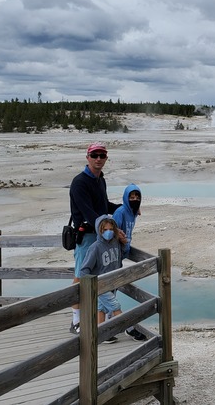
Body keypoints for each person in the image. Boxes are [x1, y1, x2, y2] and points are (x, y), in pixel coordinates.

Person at [68, 142, 124, 334]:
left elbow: (104, 205)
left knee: (102, 275)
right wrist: (113, 230)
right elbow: (89, 213)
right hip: (87, 237)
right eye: (95, 155)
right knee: (81, 275)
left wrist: (125, 208)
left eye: (102, 155)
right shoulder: (80, 182)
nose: (98, 158)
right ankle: (76, 320)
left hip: (101, 238)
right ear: (88, 157)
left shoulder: (100, 180)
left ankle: (100, 323)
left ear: (106, 158)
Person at [79, 215, 124, 344]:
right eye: (104, 230)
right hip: (100, 284)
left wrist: (124, 243)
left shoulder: (116, 243)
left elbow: (120, 258)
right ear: (99, 230)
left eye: (111, 229)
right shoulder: (95, 247)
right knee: (115, 306)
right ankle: (130, 328)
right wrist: (90, 284)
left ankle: (100, 333)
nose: (108, 232)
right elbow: (84, 269)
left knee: (101, 308)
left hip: (113, 281)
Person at [112, 183, 147, 341]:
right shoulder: (120, 213)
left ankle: (107, 327)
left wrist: (135, 208)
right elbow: (112, 233)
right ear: (126, 198)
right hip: (113, 256)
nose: (134, 200)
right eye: (131, 198)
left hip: (121, 255)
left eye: (137, 198)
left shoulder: (132, 212)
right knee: (108, 292)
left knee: (111, 291)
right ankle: (122, 328)